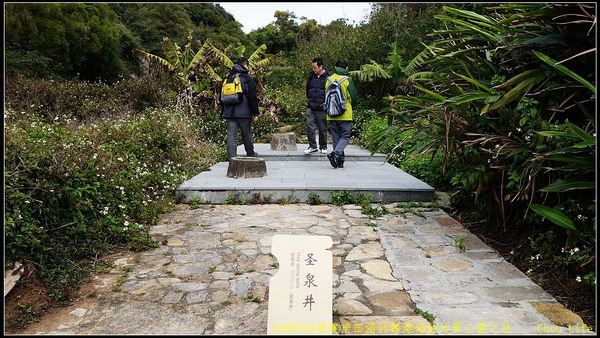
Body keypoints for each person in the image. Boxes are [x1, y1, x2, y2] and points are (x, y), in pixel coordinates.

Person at [221, 57, 260, 158]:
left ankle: (232, 158)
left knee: (231, 137)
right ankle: (251, 154)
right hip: (244, 112)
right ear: (246, 64)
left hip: (229, 112)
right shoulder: (247, 77)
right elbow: (252, 97)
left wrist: (223, 111)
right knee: (246, 134)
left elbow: (221, 95)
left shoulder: (228, 77)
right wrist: (256, 113)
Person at [325, 60, 357, 169]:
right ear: (346, 68)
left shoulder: (328, 80)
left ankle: (339, 161)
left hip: (331, 114)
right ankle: (335, 154)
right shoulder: (347, 80)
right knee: (345, 137)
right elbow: (354, 97)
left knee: (336, 138)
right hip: (345, 114)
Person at [304, 57, 331, 155]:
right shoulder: (311, 76)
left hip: (322, 107)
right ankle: (312, 146)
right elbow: (308, 88)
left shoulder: (328, 77)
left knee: (322, 127)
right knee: (309, 126)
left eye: (314, 67)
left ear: (321, 67)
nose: (313, 69)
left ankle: (323, 146)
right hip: (311, 105)